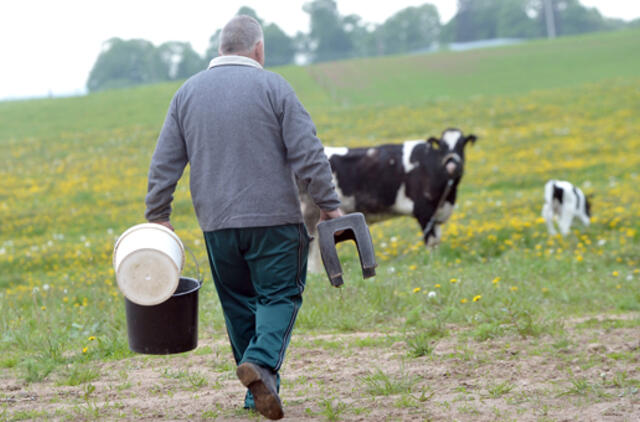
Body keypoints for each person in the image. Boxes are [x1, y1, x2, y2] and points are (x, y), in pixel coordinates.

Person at [144, 14, 343, 420]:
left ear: (220, 48)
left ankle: (257, 393)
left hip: (217, 226)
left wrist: (158, 214)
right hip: (275, 222)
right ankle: (262, 362)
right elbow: (309, 152)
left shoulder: (187, 93)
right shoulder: (274, 86)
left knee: (239, 305)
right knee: (280, 295)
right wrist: (329, 204)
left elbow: (164, 161)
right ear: (259, 50)